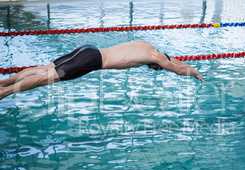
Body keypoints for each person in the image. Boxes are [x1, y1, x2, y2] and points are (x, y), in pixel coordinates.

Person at [0, 40, 203, 100]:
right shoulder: (155, 58)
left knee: (43, 69)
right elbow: (175, 68)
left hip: (88, 50)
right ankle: (5, 92)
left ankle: (3, 82)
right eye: (155, 68)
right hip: (91, 61)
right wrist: (194, 73)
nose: (151, 68)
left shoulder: (149, 47)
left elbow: (173, 61)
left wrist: (182, 64)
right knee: (46, 78)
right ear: (158, 64)